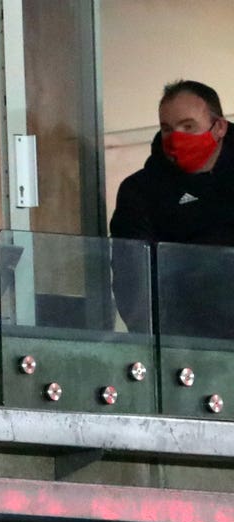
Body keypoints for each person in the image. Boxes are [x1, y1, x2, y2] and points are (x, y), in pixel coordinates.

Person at [110, 80, 234, 335]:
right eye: (167, 129)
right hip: (182, 348)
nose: (177, 138)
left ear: (219, 127)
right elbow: (132, 281)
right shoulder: (140, 192)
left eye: (188, 126)